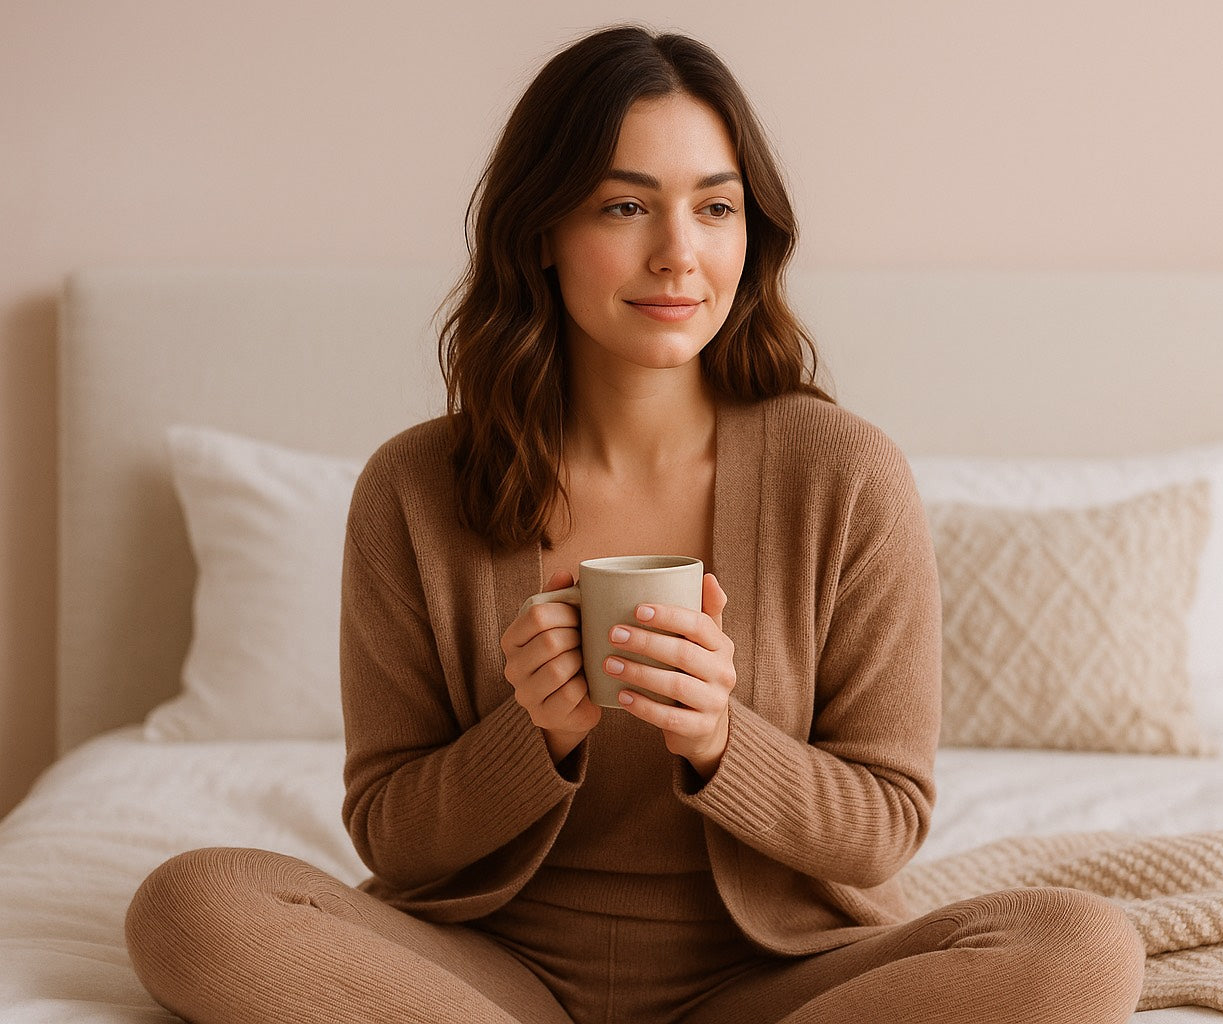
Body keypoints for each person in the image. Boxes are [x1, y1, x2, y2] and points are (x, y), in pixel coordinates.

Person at [124, 24, 1144, 1024]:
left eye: (715, 208)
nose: (678, 254)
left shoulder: (844, 477)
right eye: (625, 205)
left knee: (1083, 951)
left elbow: (884, 828)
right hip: (485, 970)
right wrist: (535, 735)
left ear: (753, 234)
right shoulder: (413, 488)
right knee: (195, 906)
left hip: (777, 976)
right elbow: (392, 836)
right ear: (541, 232)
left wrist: (718, 740)